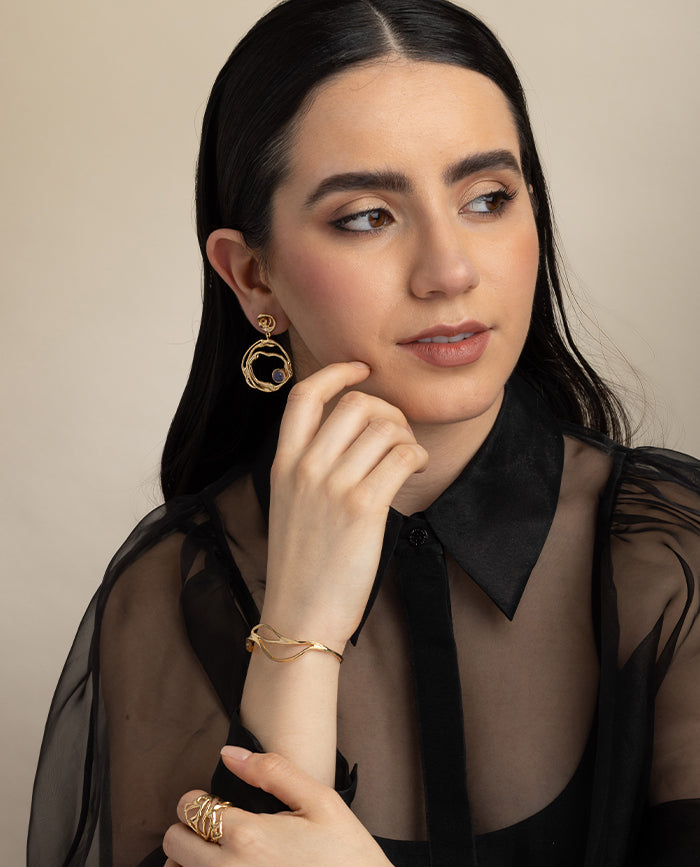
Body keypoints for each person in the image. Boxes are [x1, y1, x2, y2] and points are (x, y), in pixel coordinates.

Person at [27, 0, 700, 865]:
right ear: (253, 276)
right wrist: (298, 632)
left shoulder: (673, 556)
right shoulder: (170, 589)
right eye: (367, 216)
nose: (450, 271)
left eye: (487, 199)